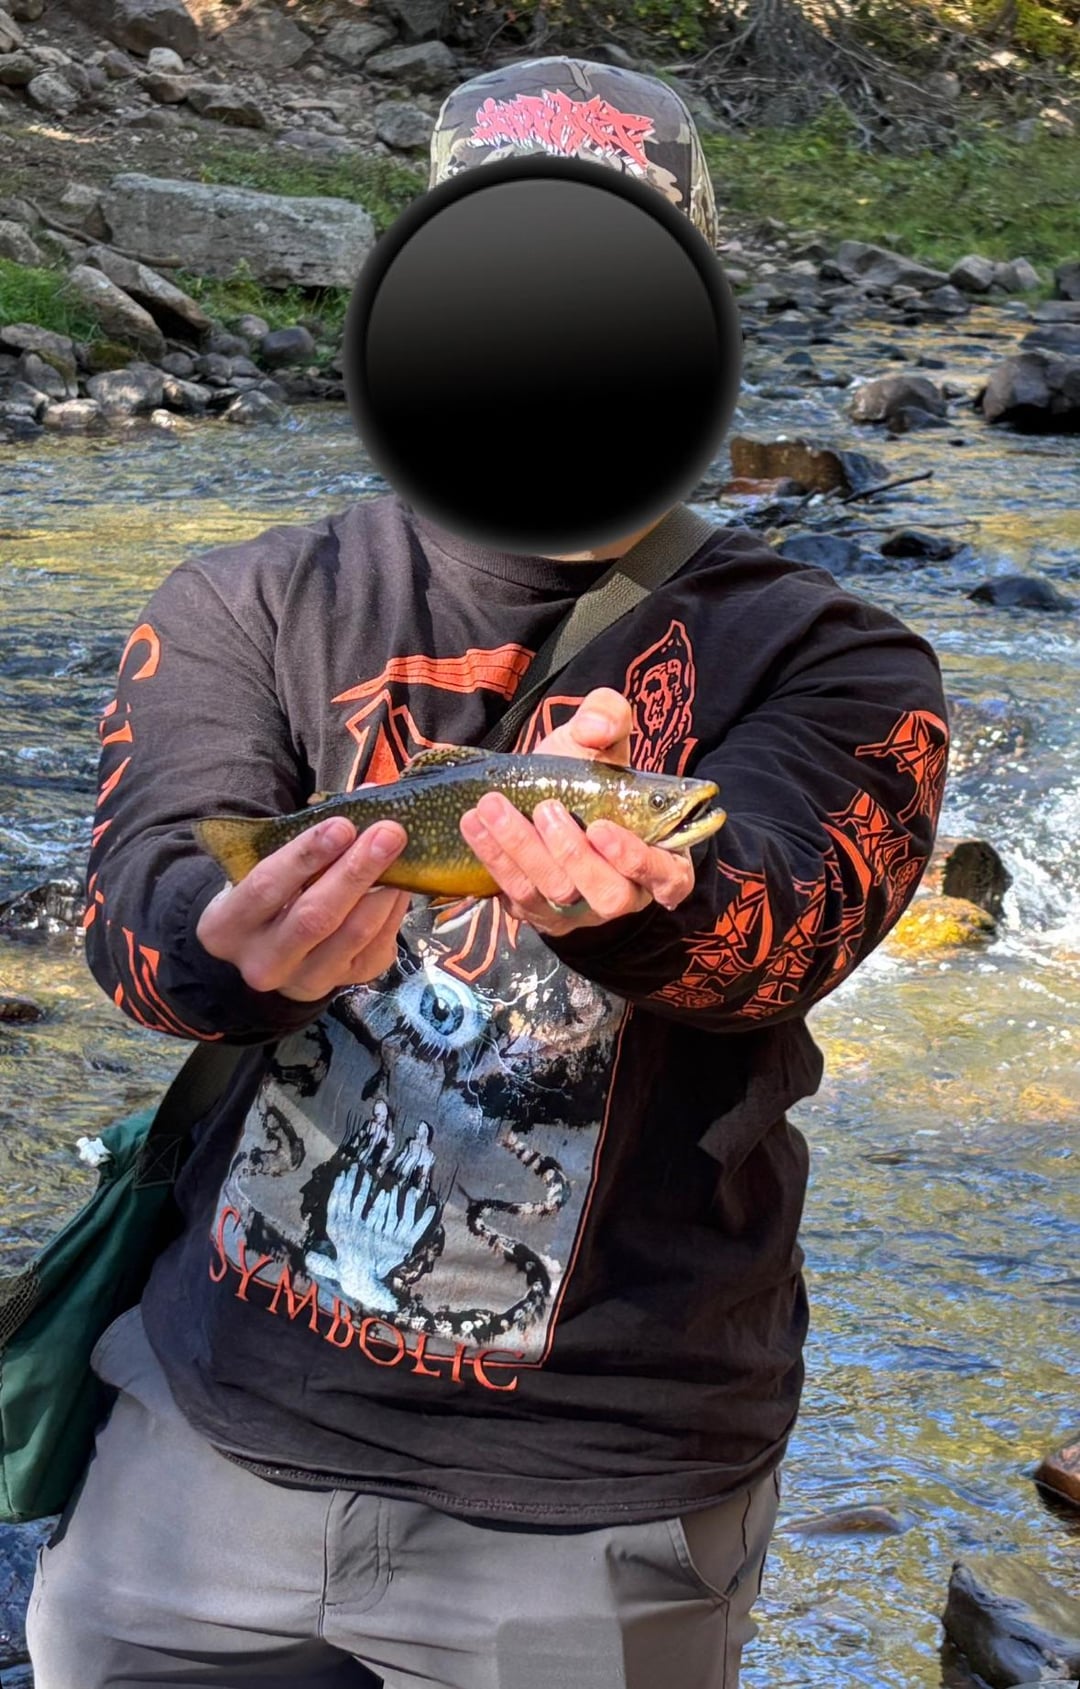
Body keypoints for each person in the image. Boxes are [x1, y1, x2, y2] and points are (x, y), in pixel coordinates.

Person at [27, 56, 950, 1689]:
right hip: (205, 1445)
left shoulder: (842, 659)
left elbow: (789, 927)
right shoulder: (243, 599)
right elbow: (140, 909)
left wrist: (653, 912)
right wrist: (228, 944)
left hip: (603, 1505)